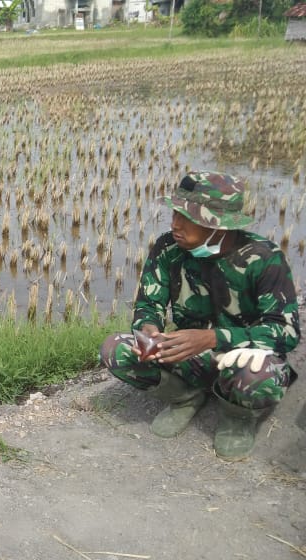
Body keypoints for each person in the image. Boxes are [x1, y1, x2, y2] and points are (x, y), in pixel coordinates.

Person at [100, 171, 299, 460]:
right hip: (189, 356)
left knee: (259, 374)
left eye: (188, 217)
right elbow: (148, 303)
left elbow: (287, 333)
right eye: (175, 213)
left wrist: (212, 338)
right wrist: (149, 329)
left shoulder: (264, 260)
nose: (175, 224)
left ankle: (238, 416)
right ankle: (185, 397)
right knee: (116, 349)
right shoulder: (168, 247)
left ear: (219, 226)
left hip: (242, 359)